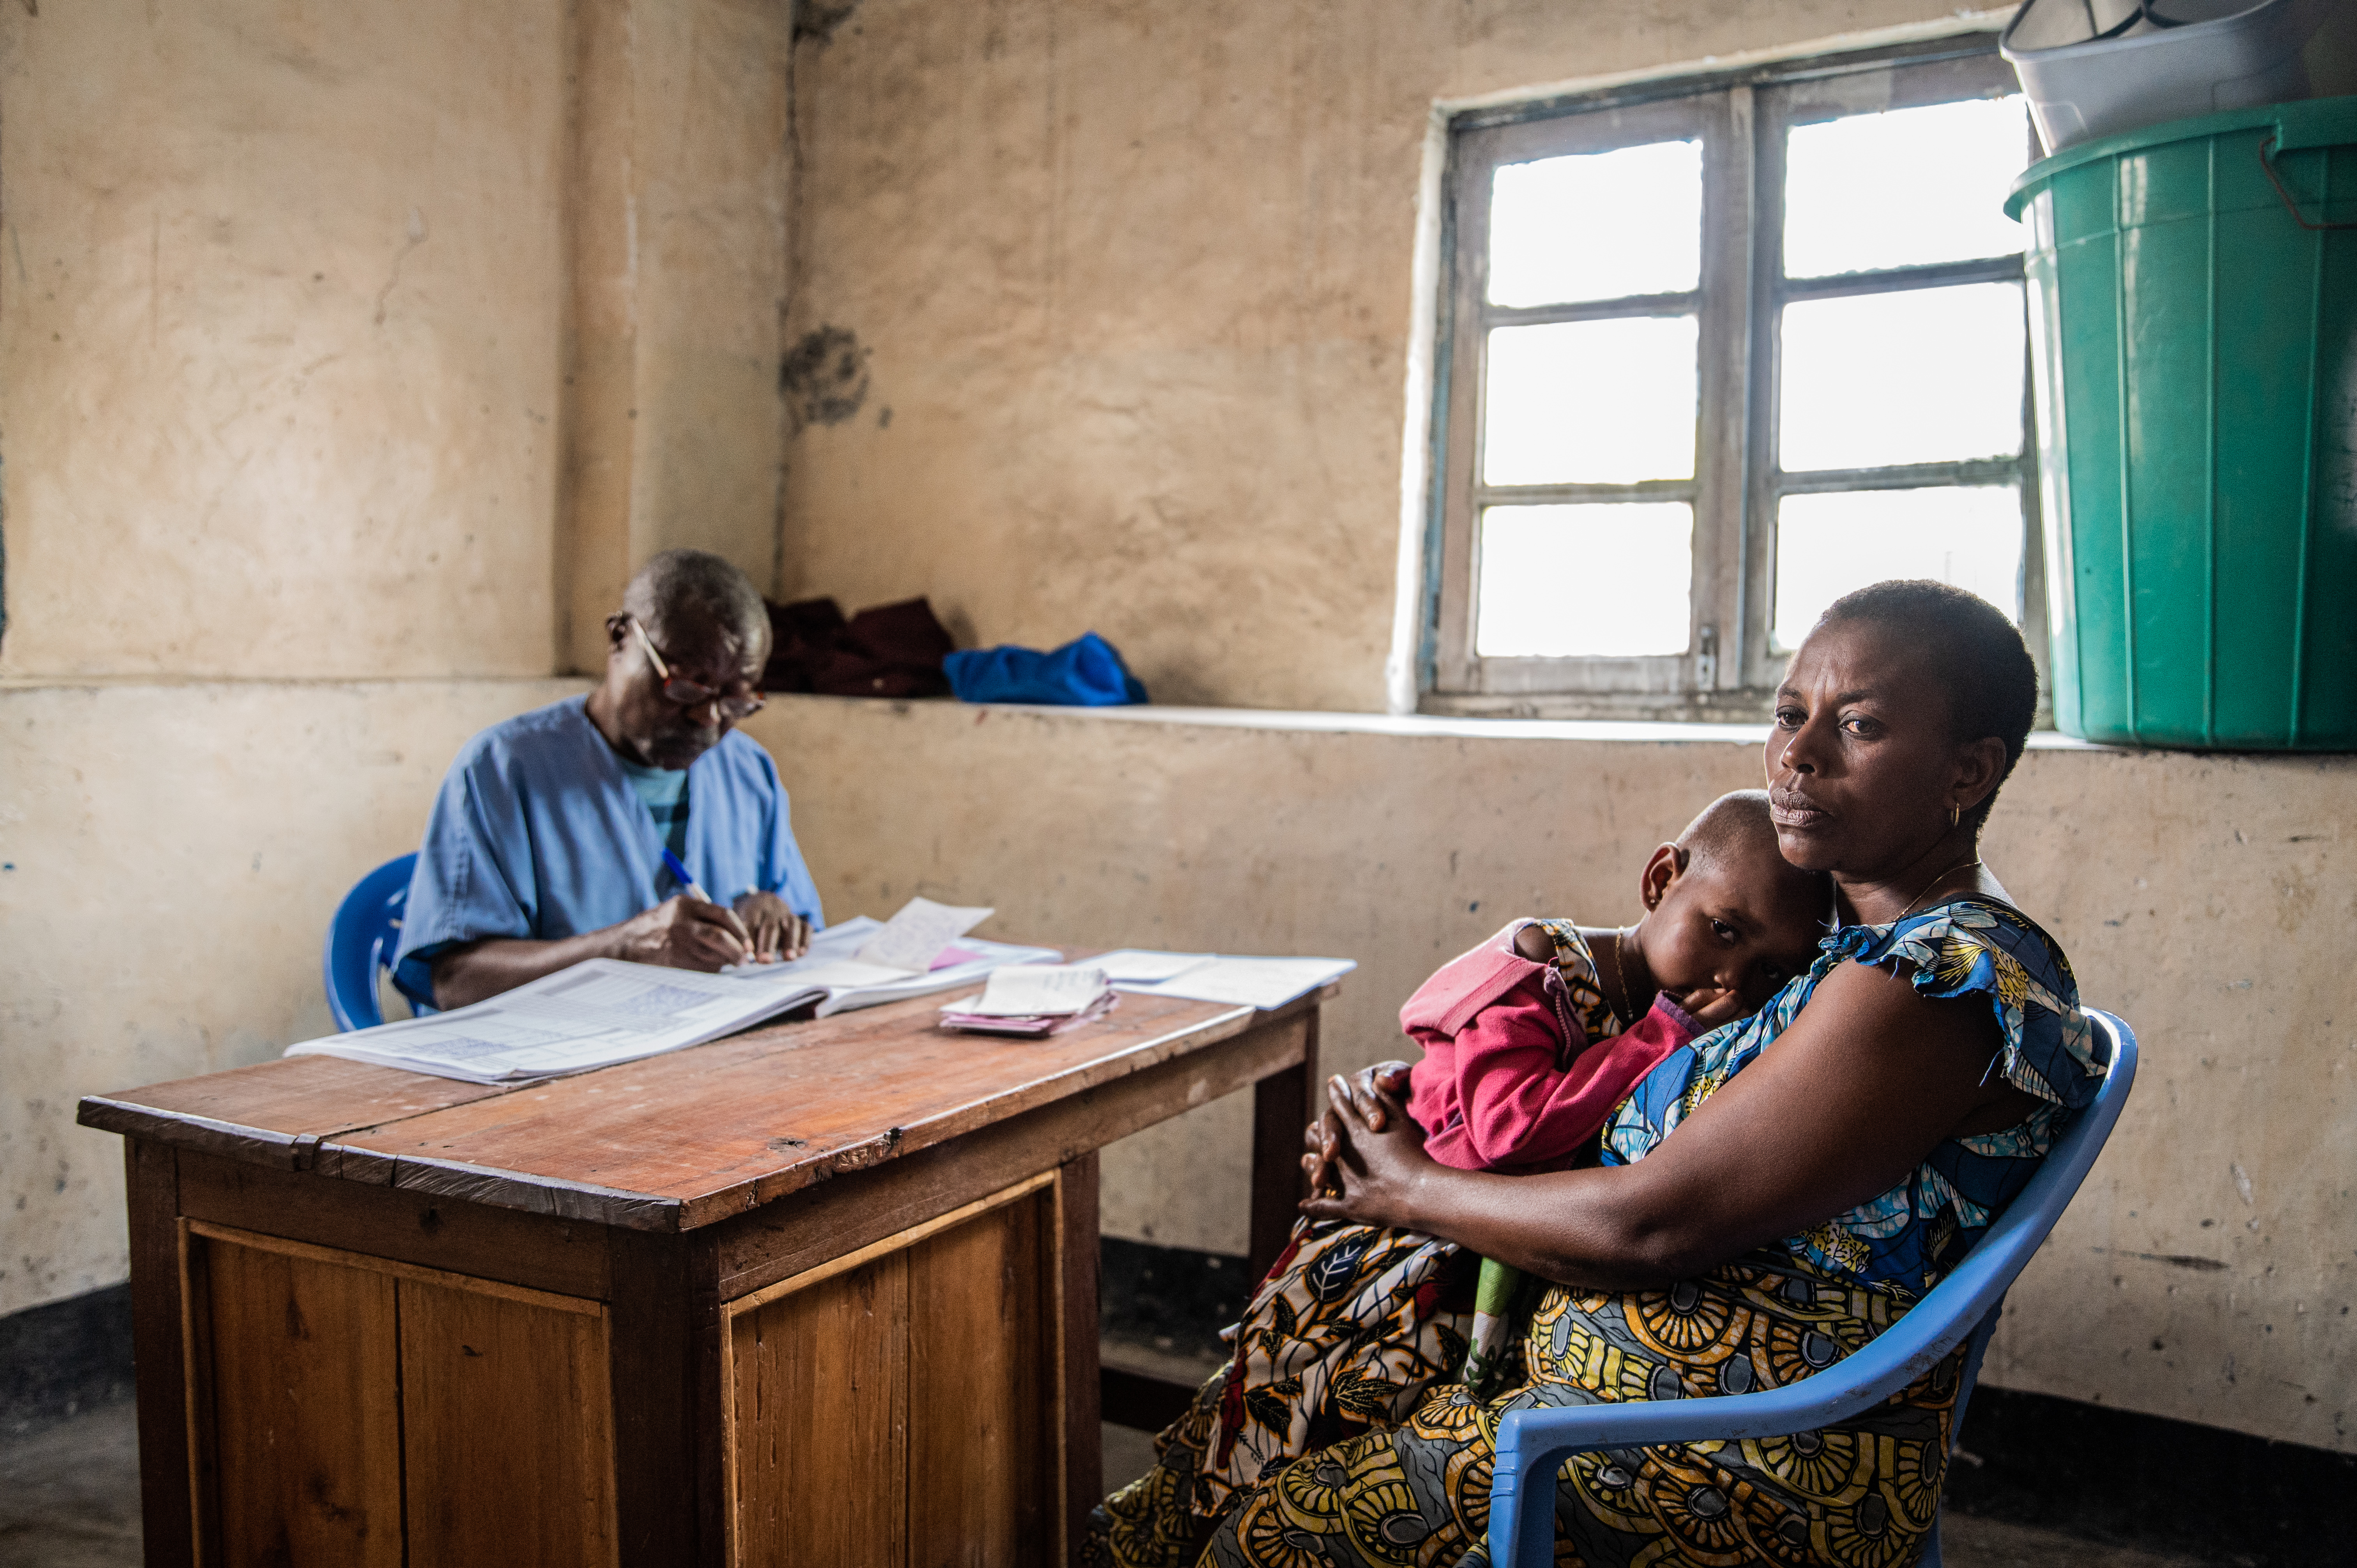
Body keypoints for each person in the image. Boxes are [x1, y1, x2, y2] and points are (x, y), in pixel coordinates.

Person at [1088, 580, 2103, 1568]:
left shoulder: (1932, 985)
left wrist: (1406, 1185)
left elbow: (1650, 1226)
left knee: (1265, 1535)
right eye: (1790, 713)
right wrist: (1431, 1107)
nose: (1798, 755)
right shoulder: (1837, 938)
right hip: (1566, 1378)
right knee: (1267, 1411)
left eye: (1860, 726)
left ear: (1968, 770)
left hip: (1716, 1458)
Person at [1146, 792, 1829, 1524]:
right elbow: (1509, 1130)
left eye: (1769, 971)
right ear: (1660, 880)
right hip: (1395, 1247)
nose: (1733, 981)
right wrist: (1659, 1037)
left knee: (1371, 1446)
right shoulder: (1541, 971)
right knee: (1293, 1429)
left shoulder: (1691, 1013)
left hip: (1475, 1248)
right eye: (1723, 930)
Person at [392, 549, 824, 1010]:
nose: (708, 718)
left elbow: (799, 925)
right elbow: (454, 980)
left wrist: (771, 918)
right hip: (554, 1045)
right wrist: (621, 949)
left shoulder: (748, 771)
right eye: (685, 687)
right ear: (621, 638)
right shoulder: (502, 770)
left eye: (737, 701)